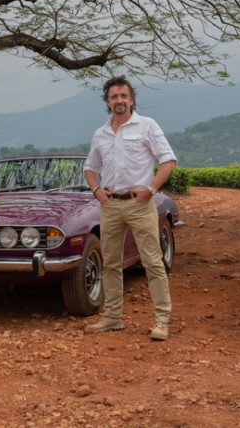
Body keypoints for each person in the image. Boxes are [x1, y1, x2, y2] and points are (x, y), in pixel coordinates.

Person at [83, 75, 177, 341]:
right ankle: (112, 318)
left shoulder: (146, 126)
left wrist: (151, 190)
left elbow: (168, 160)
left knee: (152, 262)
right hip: (110, 205)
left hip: (140, 204)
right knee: (111, 263)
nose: (119, 100)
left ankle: (161, 321)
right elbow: (90, 167)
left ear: (132, 100)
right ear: (107, 102)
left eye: (124, 96)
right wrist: (96, 190)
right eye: (114, 97)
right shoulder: (100, 133)